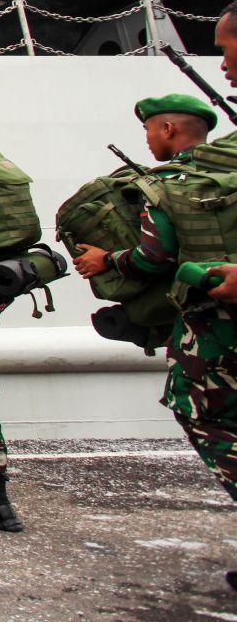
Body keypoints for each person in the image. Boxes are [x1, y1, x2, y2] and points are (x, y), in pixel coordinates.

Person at [72, 97, 234, 507]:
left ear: (167, 130)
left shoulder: (167, 183)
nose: (146, 140)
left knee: (203, 412)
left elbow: (154, 257)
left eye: (148, 130)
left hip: (213, 321)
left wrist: (105, 259)